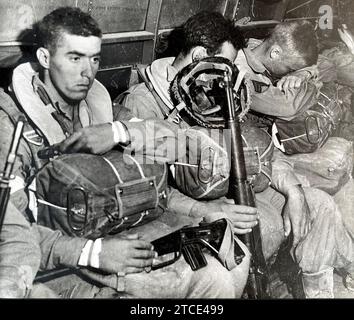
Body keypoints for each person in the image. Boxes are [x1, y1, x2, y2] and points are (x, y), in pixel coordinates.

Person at [0, 7, 251, 298]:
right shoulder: (11, 128)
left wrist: (119, 132)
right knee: (208, 279)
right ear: (45, 58)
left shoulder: (99, 109)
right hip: (57, 262)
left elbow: (175, 147)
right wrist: (93, 253)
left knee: (226, 265)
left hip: (116, 236)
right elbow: (12, 233)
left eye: (94, 59)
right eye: (75, 58)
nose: (87, 72)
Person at [118, 13, 354, 298]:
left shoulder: (211, 88)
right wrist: (207, 211)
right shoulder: (145, 103)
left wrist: (293, 189)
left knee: (319, 203)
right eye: (226, 64)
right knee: (257, 235)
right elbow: (151, 191)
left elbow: (255, 145)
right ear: (199, 55)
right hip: (194, 205)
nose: (230, 75)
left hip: (236, 184)